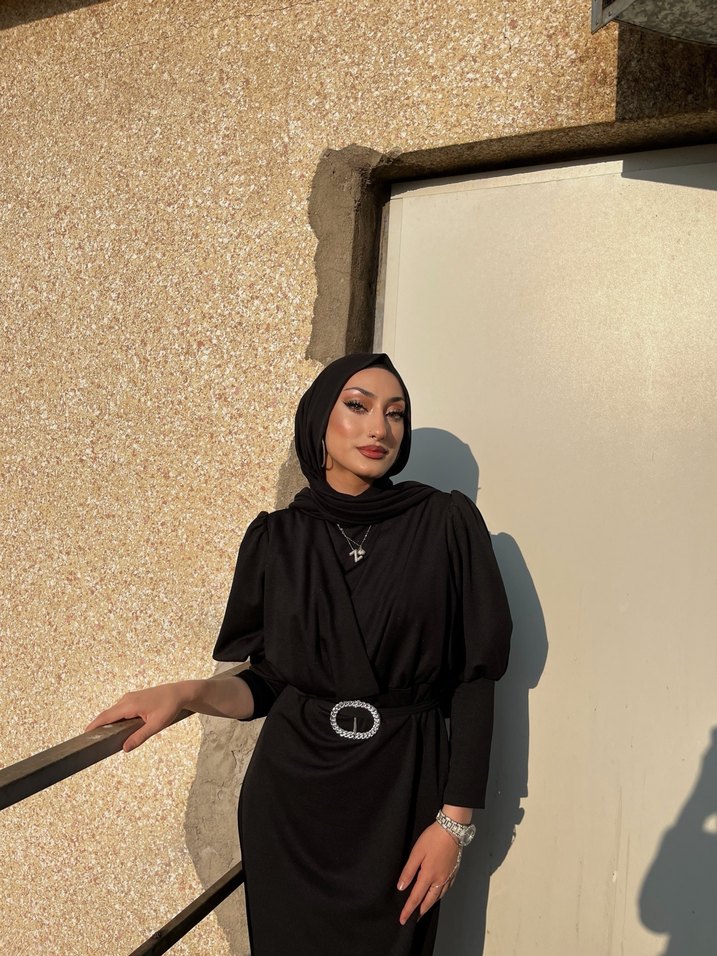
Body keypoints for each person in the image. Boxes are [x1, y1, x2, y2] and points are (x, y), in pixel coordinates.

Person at [86, 353, 512, 955]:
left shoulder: (444, 524)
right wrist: (185, 694)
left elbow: (475, 678)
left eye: (396, 414)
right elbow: (269, 681)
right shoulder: (278, 538)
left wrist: (454, 824)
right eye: (358, 406)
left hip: (401, 789)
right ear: (318, 422)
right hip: (291, 803)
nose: (379, 427)